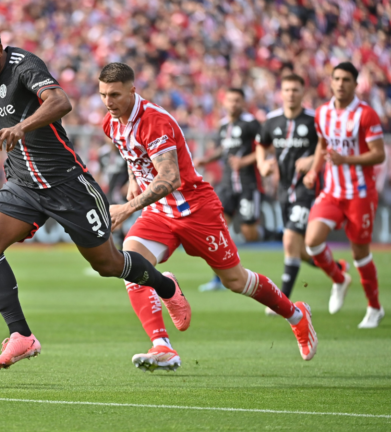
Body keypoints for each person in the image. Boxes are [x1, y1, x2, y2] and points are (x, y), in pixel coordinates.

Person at [0, 16, 190, 370]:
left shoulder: (24, 66)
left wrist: (22, 127)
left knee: (108, 264)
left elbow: (61, 102)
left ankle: (166, 287)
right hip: (23, 184)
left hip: (68, 185)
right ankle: (21, 335)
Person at [99, 63, 318, 370]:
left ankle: (296, 315)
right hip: (160, 212)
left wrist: (126, 208)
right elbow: (132, 154)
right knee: (130, 265)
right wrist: (135, 178)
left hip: (195, 209)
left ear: (133, 90)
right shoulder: (110, 123)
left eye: (115, 95)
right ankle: (163, 345)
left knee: (235, 280)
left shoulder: (155, 121)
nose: (108, 102)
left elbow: (170, 178)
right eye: (103, 95)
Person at [303, 62, 386, 329]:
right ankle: (339, 279)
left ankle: (374, 308)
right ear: (331, 82)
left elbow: (379, 154)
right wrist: (313, 171)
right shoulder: (322, 112)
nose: (340, 84)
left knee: (360, 253)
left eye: (346, 79)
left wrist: (346, 159)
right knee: (312, 242)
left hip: (360, 193)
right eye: (337, 79)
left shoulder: (366, 114)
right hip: (332, 191)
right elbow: (322, 145)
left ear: (355, 84)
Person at [255, 74, 326, 315]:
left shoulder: (314, 120)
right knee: (299, 249)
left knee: (289, 240)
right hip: (285, 189)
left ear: (303, 92)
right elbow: (261, 144)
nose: (291, 94)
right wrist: (262, 164)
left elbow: (327, 146)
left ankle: (281, 301)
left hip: (307, 187)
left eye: (295, 90)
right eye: (287, 90)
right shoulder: (272, 120)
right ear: (281, 93)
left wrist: (312, 161)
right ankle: (338, 270)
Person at [194, 89, 263, 292]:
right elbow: (223, 149)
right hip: (227, 185)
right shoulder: (224, 125)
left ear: (243, 103)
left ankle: (271, 234)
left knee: (248, 232)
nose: (233, 104)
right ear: (224, 103)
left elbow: (266, 148)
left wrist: (244, 161)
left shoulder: (251, 123)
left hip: (248, 183)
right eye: (230, 100)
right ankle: (218, 279)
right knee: (217, 230)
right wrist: (206, 159)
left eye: (237, 100)